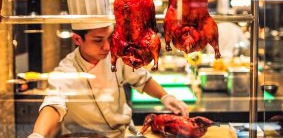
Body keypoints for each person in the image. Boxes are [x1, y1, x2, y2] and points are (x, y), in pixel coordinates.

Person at [28, 24, 189, 138]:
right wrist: (38, 135)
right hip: (84, 136)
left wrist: (165, 96)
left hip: (124, 133)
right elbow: (53, 105)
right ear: (77, 39)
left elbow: (142, 80)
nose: (106, 47)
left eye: (109, 38)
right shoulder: (66, 70)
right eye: (98, 40)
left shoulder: (115, 56)